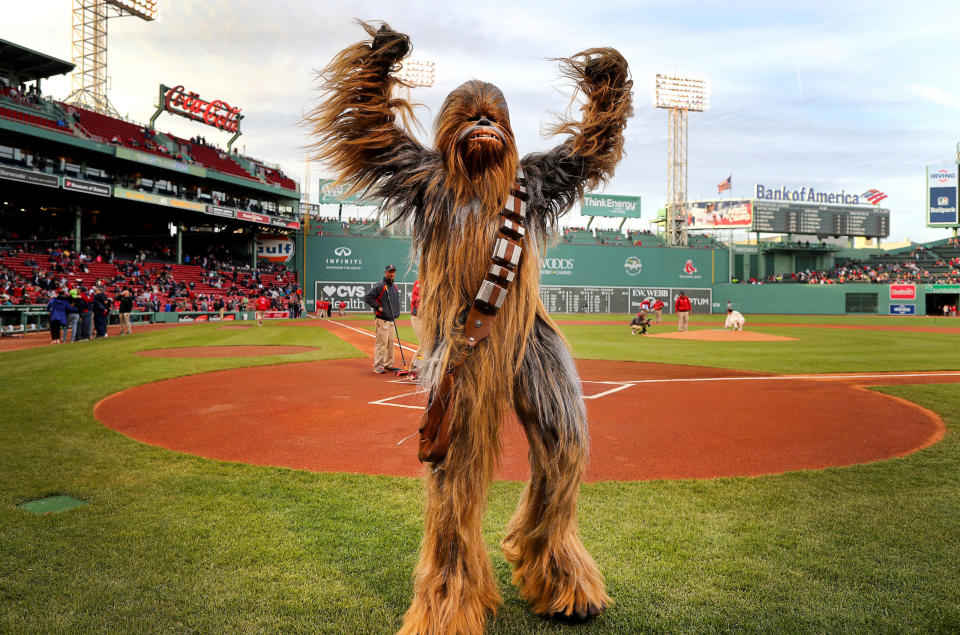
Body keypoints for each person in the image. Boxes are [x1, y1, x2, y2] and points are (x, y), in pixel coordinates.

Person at [363, 264, 401, 374]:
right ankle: (378, 365)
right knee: (381, 343)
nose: (392, 274)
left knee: (390, 344)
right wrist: (378, 307)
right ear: (386, 273)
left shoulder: (394, 287)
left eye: (393, 272)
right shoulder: (380, 285)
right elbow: (367, 296)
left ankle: (388, 364)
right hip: (382, 319)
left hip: (391, 320)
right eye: (390, 272)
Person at [410, 279, 423, 370]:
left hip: (427, 318)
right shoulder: (419, 282)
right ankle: (414, 369)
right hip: (418, 316)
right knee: (424, 345)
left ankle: (415, 368)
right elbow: (416, 300)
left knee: (425, 345)